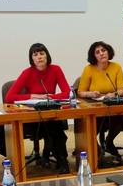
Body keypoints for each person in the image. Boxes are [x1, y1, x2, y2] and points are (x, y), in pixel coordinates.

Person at [5, 43, 72, 174]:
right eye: (35, 55)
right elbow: (9, 97)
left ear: (47, 55)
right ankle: (55, 157)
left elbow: (67, 93)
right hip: (32, 116)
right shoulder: (27, 73)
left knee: (56, 130)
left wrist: (49, 97)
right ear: (32, 59)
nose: (39, 57)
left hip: (51, 112)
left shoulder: (56, 69)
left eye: (42, 53)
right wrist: (32, 96)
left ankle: (62, 160)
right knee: (53, 130)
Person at [77, 41, 123, 165]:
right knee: (90, 127)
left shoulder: (116, 67)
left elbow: (122, 89)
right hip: (94, 106)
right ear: (94, 56)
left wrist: (114, 94)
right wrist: (90, 94)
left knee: (122, 117)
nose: (101, 53)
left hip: (112, 105)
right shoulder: (89, 69)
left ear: (108, 52)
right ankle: (96, 149)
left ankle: (109, 141)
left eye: (103, 50)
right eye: (97, 52)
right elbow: (80, 92)